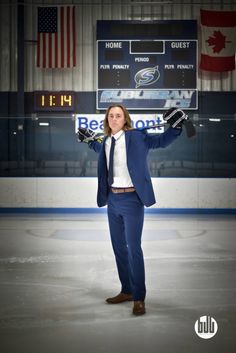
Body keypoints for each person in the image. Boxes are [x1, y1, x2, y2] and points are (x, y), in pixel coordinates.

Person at [77, 105, 185, 316]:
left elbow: (161, 141)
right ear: (107, 120)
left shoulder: (137, 138)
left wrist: (176, 127)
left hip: (132, 199)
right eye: (111, 116)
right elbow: (98, 149)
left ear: (125, 119)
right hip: (113, 200)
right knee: (119, 248)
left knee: (134, 248)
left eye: (118, 115)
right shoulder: (106, 142)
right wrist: (89, 139)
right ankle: (126, 290)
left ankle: (139, 297)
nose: (114, 119)